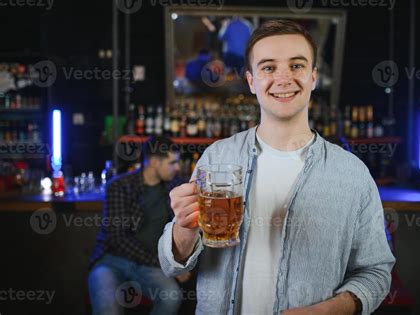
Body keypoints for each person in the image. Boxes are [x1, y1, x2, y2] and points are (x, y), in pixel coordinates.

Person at [158, 20, 396, 315]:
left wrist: (329, 311)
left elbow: (376, 272)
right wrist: (184, 227)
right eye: (268, 68)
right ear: (251, 81)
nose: (283, 78)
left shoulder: (353, 173)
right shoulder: (216, 158)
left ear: (313, 77)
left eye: (296, 66)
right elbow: (171, 264)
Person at [88, 136, 187, 315]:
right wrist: (167, 264)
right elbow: (118, 239)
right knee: (107, 307)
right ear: (155, 162)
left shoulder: (175, 186)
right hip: (112, 260)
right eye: (173, 162)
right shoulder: (119, 186)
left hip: (149, 267)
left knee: (172, 296)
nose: (178, 167)